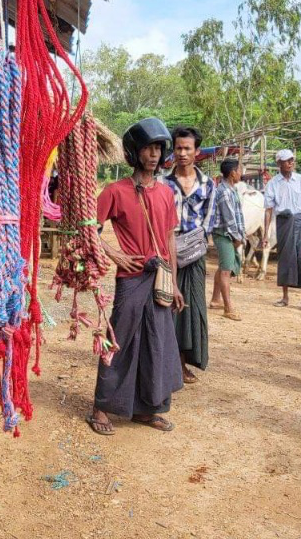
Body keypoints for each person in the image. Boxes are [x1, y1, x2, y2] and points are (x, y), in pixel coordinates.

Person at [88, 117, 184, 436]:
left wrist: (175, 280)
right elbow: (88, 230)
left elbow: (169, 239)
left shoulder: (167, 193)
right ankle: (101, 407)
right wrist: (113, 254)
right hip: (130, 279)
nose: (154, 154)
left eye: (158, 147)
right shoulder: (115, 191)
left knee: (157, 343)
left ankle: (148, 408)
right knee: (119, 341)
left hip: (160, 279)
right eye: (148, 148)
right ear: (135, 152)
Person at [163, 127, 216, 383]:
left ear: (197, 152)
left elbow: (208, 222)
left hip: (194, 255)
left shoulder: (207, 184)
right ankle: (167, 363)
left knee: (191, 309)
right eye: (178, 148)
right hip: (165, 251)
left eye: (187, 148)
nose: (182, 153)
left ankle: (183, 363)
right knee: (166, 307)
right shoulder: (163, 183)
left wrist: (193, 245)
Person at [263, 149, 301, 308]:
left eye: (292, 160)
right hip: (283, 222)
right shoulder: (273, 183)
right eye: (286, 160)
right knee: (285, 257)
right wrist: (265, 234)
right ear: (279, 163)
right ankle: (285, 297)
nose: (290, 163)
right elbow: (269, 210)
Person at [210, 158, 244, 321]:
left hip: (228, 233)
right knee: (226, 270)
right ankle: (228, 308)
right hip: (224, 233)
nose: (241, 173)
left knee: (223, 266)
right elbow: (229, 217)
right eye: (239, 170)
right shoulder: (224, 191)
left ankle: (216, 299)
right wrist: (237, 237)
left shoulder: (231, 189)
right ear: (232, 173)